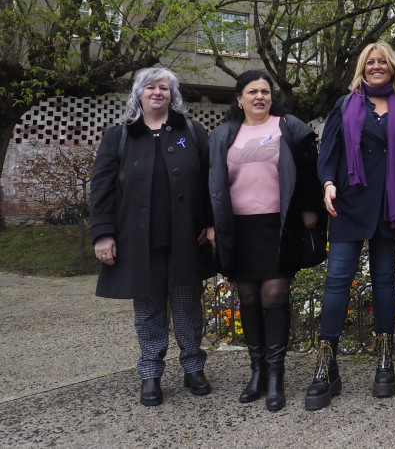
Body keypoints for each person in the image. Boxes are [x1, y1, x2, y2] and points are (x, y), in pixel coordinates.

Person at [90, 67, 214, 407]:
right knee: (148, 309)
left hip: (186, 237)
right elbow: (102, 189)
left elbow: (208, 182)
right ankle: (150, 373)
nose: (157, 92)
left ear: (172, 95)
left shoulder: (192, 131)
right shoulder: (119, 136)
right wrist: (103, 234)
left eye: (164, 87)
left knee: (188, 304)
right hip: (138, 240)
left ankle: (193, 367)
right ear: (139, 94)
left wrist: (210, 223)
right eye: (150, 87)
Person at [306, 41, 395, 411]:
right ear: (362, 68)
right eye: (371, 62)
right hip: (349, 204)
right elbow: (328, 153)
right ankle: (326, 362)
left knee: (385, 279)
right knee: (337, 280)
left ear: (393, 67)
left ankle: (385, 359)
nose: (377, 66)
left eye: (383, 61)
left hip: (389, 206)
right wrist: (327, 183)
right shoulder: (345, 104)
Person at [208, 70, 321, 412]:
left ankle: (276, 376)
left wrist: (309, 210)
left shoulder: (289, 127)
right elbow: (210, 181)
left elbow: (308, 172)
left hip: (279, 225)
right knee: (249, 297)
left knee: (274, 295)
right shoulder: (224, 134)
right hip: (238, 228)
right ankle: (256, 371)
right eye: (252, 91)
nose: (260, 97)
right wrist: (211, 224)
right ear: (239, 98)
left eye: (265, 92)